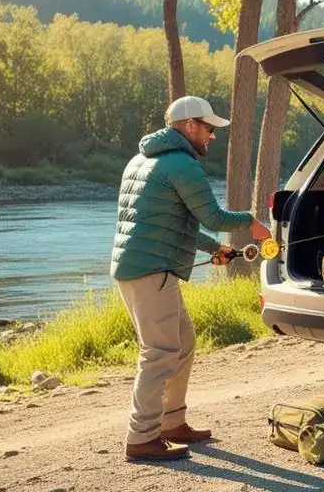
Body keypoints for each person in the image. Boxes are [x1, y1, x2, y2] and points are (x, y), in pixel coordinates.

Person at [110, 95, 271, 462]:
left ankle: (172, 423)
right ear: (189, 125)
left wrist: (216, 248)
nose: (212, 135)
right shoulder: (182, 165)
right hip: (152, 272)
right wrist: (251, 222)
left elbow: (176, 222)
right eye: (209, 128)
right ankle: (141, 437)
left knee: (181, 343)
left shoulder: (140, 161)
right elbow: (213, 217)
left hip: (137, 269)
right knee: (159, 353)